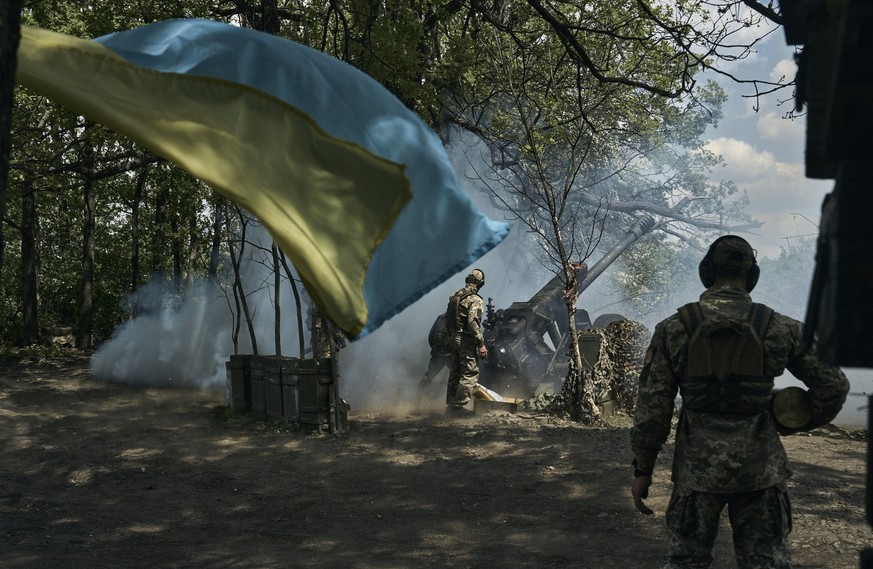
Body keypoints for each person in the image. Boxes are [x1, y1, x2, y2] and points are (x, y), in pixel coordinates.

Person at [630, 235, 849, 568]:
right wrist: (790, 419)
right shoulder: (778, 327)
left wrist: (643, 469)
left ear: (707, 271)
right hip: (761, 471)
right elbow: (834, 385)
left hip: (697, 475)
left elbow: (652, 407)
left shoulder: (674, 328)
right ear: (752, 275)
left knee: (686, 562)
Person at [444, 268, 489, 414]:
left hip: (453, 337)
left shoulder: (455, 295)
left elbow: (447, 317)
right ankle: (458, 407)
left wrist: (451, 334)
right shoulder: (476, 300)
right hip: (465, 340)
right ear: (479, 283)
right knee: (470, 373)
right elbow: (472, 323)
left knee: (455, 372)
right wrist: (481, 344)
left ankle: (450, 406)